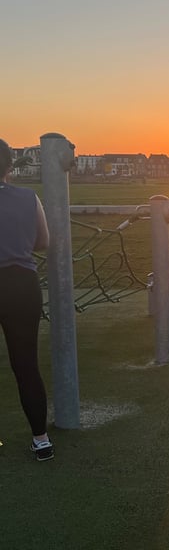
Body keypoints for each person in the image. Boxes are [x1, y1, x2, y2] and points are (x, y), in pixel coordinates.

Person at [0, 139, 54, 461]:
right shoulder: (28, 197)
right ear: (10, 167)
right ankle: (42, 439)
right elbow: (43, 241)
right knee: (26, 365)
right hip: (22, 284)